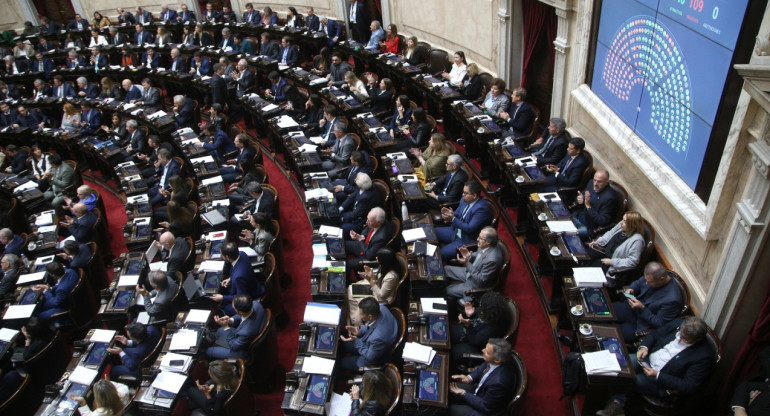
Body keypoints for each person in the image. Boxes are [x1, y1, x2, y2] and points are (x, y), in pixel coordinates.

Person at [597, 316, 716, 416]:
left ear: (698, 340)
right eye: (680, 334)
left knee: (630, 378)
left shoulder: (704, 356)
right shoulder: (680, 323)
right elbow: (656, 334)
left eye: (685, 339)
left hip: (660, 380)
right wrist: (644, 347)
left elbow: (689, 385)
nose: (679, 339)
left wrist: (658, 375)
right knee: (620, 362)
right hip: (646, 359)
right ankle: (614, 403)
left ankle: (614, 404)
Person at [613, 262, 684, 342]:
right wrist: (632, 289)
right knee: (603, 312)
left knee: (613, 335)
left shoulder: (673, 300)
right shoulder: (652, 276)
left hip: (640, 323)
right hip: (630, 308)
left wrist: (642, 308)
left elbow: (659, 323)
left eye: (649, 282)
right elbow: (638, 283)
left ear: (662, 279)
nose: (647, 283)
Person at [449, 338, 518, 416]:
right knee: (446, 389)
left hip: (483, 411)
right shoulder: (493, 360)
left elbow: (485, 407)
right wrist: (468, 378)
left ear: (497, 360)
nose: (483, 350)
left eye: (487, 352)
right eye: (485, 348)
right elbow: (481, 369)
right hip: (479, 392)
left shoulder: (499, 383)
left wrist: (463, 393)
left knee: (447, 410)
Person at [451, 292, 511, 371]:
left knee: (453, 351)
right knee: (449, 333)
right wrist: (468, 314)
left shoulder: (493, 329)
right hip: (471, 330)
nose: (480, 311)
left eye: (483, 311)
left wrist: (468, 326)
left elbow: (475, 341)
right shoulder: (486, 307)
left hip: (477, 345)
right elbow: (474, 314)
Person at [436, 180, 492, 261]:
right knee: (431, 233)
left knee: (440, 254)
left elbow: (469, 228)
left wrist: (453, 219)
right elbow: (458, 212)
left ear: (474, 195)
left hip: (465, 239)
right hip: (455, 231)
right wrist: (451, 214)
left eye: (466, 193)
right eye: (463, 192)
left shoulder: (481, 209)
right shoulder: (465, 200)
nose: (463, 195)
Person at [445, 227, 502, 306]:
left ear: (488, 242)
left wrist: (467, 263)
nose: (477, 239)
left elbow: (480, 280)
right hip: (471, 271)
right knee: (445, 269)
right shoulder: (484, 245)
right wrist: (469, 256)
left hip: (474, 283)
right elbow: (478, 255)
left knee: (446, 291)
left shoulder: (492, 260)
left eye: (480, 238)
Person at [339, 297, 399, 372]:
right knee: (343, 344)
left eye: (361, 314)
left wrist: (355, 341)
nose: (359, 315)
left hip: (373, 357)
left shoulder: (378, 338)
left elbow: (369, 356)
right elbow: (369, 324)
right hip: (372, 342)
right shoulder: (381, 308)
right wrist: (360, 332)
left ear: (370, 316)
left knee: (341, 363)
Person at [347, 248, 402, 326]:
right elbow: (378, 279)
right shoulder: (384, 266)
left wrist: (370, 280)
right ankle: (355, 320)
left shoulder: (391, 277)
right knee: (350, 290)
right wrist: (371, 275)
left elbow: (382, 295)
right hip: (377, 288)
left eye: (378, 257)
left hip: (382, 299)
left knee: (354, 299)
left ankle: (357, 323)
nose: (376, 258)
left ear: (384, 260)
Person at [588, 211, 645, 280]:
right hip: (604, 251)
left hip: (613, 264)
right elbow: (610, 233)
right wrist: (598, 242)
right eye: (622, 219)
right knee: (585, 256)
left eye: (625, 221)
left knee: (590, 269)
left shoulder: (637, 241)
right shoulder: (621, 226)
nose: (621, 222)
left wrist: (612, 262)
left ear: (633, 225)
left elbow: (632, 262)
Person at [206, 294, 267, 360]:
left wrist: (226, 327)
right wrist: (230, 320)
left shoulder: (245, 332)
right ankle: (219, 347)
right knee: (220, 330)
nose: (234, 310)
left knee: (208, 351)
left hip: (242, 351)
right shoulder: (255, 304)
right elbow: (242, 315)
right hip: (250, 332)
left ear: (240, 312)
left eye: (234, 309)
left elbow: (233, 346)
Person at [209, 243, 263, 315]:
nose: (221, 256)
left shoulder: (238, 277)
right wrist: (231, 278)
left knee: (224, 308)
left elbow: (241, 297)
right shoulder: (242, 254)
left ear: (227, 257)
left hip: (250, 295)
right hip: (250, 282)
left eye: (222, 255)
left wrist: (223, 298)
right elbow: (239, 270)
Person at [571, 169, 618, 239]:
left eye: (599, 182)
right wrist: (579, 200)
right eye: (594, 180)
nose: (595, 184)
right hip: (577, 216)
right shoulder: (591, 183)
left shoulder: (610, 198)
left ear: (607, 182)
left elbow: (602, 221)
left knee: (567, 233)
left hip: (588, 227)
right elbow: (580, 198)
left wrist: (588, 206)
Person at [345, 208, 394, 275]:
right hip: (365, 245)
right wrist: (362, 236)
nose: (366, 222)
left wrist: (360, 240)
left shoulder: (381, 237)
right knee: (343, 245)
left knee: (346, 264)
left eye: (369, 221)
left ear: (378, 222)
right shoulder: (377, 221)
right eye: (367, 219)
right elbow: (367, 228)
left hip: (368, 255)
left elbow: (369, 256)